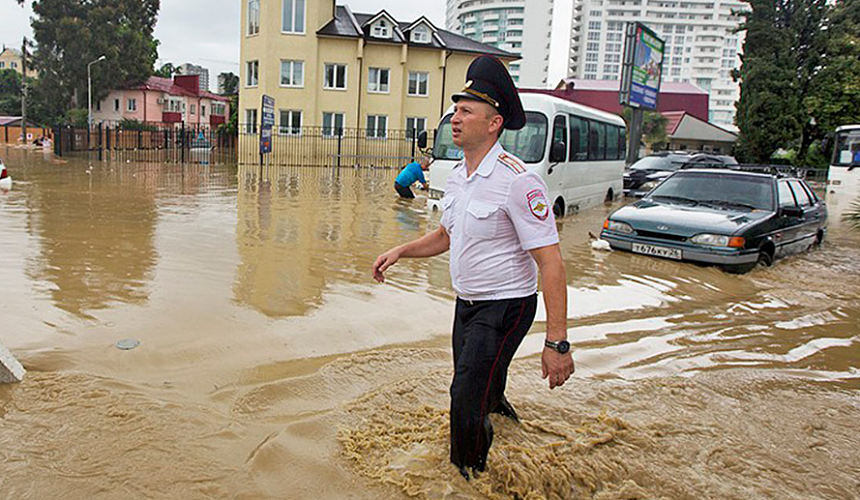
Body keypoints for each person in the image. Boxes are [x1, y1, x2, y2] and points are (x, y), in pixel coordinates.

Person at [372, 56, 574, 479]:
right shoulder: (460, 177)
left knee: (464, 396)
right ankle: (505, 428)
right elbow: (446, 236)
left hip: (505, 307)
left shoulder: (519, 181)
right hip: (467, 305)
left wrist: (557, 344)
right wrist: (400, 251)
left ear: (493, 122)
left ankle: (468, 479)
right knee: (485, 388)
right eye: (456, 109)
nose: (455, 117)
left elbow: (551, 262)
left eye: (466, 110)